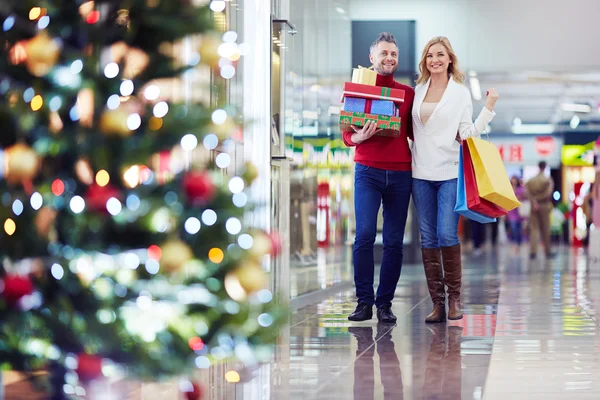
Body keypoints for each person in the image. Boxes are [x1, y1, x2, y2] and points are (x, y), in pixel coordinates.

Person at [411, 36, 499, 323]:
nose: (434, 59)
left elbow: (468, 133)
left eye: (440, 55)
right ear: (425, 61)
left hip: (448, 172)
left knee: (446, 234)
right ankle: (438, 303)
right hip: (419, 174)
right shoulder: (417, 91)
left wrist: (489, 107)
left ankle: (455, 299)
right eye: (429, 55)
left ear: (450, 59)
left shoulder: (459, 93)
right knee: (427, 237)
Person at [343, 32, 415, 323]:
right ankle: (364, 302)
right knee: (364, 236)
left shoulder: (407, 94)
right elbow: (347, 133)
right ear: (372, 57)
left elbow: (414, 132)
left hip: (400, 172)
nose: (389, 58)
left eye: (393, 54)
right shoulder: (358, 89)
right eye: (384, 53)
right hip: (368, 171)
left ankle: (384, 304)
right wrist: (358, 137)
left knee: (394, 241)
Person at [525, 161, 556, 259]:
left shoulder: (531, 180)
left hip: (533, 207)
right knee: (545, 229)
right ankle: (547, 251)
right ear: (545, 167)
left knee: (534, 229)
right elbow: (548, 193)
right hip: (544, 206)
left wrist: (534, 202)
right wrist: (539, 200)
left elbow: (527, 193)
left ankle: (532, 252)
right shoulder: (547, 180)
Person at [507, 176, 526, 246]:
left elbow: (524, 196)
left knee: (519, 228)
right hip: (511, 211)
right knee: (513, 227)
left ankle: (519, 242)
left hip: (519, 211)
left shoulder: (521, 189)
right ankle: (514, 242)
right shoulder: (509, 189)